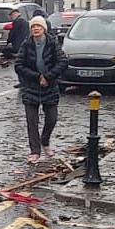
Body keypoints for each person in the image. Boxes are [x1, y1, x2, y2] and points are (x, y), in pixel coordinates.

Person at [15, 16, 69, 164]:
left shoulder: (52, 43)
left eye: (38, 26)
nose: (35, 29)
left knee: (52, 119)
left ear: (44, 28)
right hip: (31, 87)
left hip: (50, 87)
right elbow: (18, 65)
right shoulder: (26, 44)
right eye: (33, 27)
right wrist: (37, 77)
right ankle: (35, 151)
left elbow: (63, 61)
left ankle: (44, 141)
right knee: (31, 121)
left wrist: (48, 77)